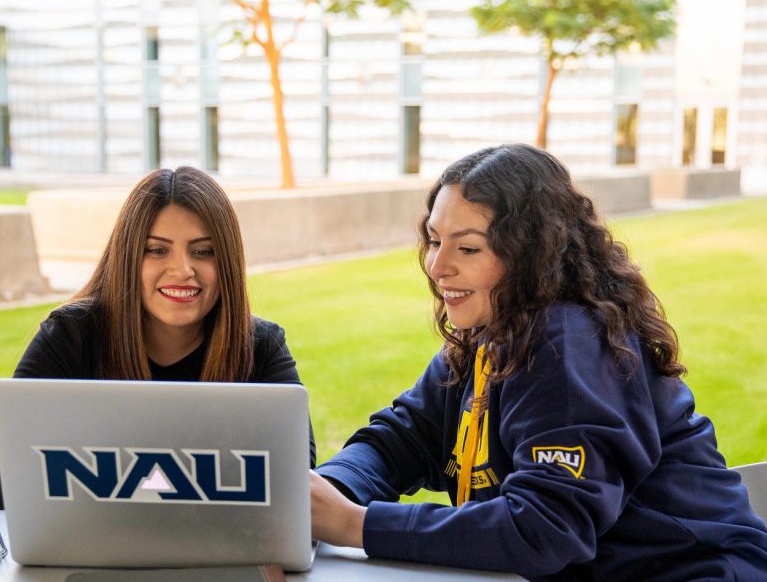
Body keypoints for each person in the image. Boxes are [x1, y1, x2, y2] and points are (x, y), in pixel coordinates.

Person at [310, 144, 767, 580]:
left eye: (467, 248)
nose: (437, 266)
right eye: (434, 240)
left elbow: (546, 526)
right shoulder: (485, 339)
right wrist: (319, 497)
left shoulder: (567, 344)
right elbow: (399, 440)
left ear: (531, 254)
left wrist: (357, 524)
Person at [0, 166, 316, 509]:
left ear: (227, 262)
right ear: (128, 258)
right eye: (157, 250)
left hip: (218, 541)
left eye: (203, 251)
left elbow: (299, 475)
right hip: (97, 540)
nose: (182, 270)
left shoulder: (261, 346)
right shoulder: (70, 336)